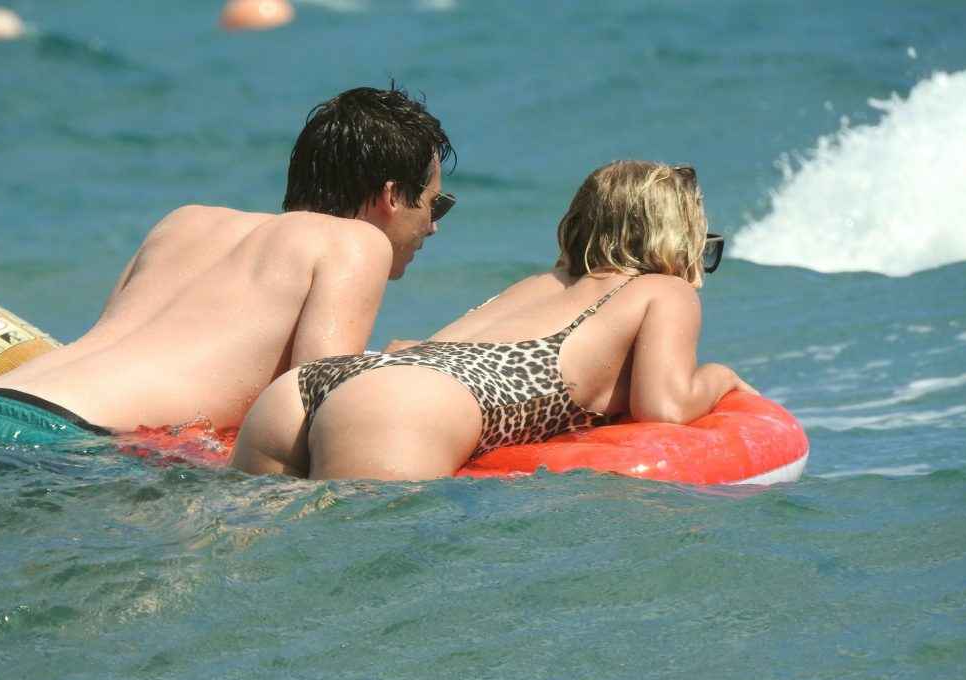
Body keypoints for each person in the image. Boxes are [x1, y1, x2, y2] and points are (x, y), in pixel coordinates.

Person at [230, 160, 756, 481]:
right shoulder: (662, 290)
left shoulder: (537, 284)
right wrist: (720, 378)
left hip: (308, 389)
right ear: (677, 239)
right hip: (402, 407)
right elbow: (664, 406)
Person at [0, 86, 455, 445]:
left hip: (7, 399)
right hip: (63, 439)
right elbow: (317, 407)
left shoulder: (184, 221)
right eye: (435, 204)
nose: (433, 227)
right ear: (392, 197)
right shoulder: (356, 241)